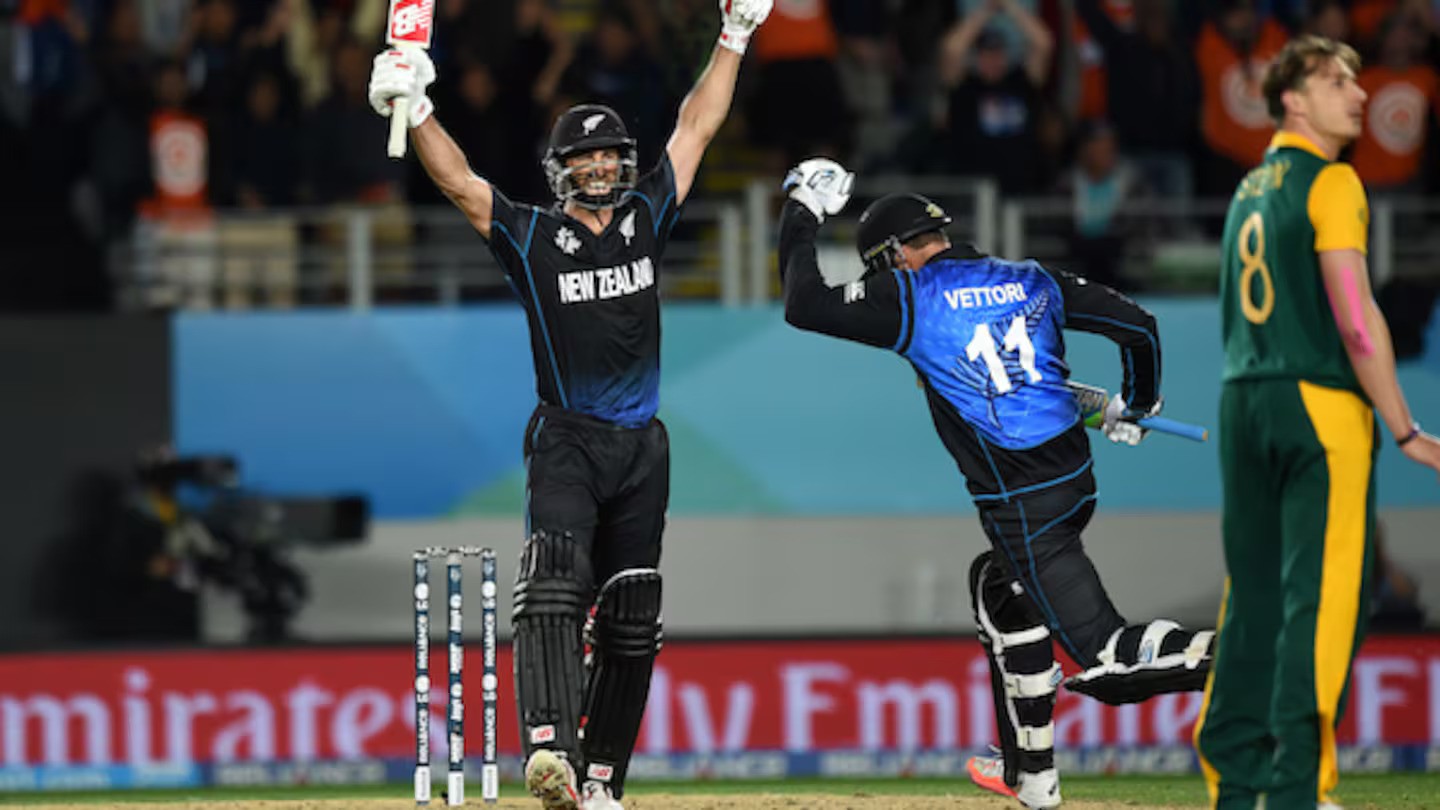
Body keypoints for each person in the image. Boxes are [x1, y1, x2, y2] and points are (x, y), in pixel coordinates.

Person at [365, 1, 774, 807]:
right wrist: (417, 107)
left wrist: (734, 36)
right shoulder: (532, 236)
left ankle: (602, 783)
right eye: (583, 158)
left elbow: (696, 127)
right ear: (561, 169)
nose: (599, 169)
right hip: (566, 442)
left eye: (608, 157)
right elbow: (458, 183)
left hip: (642, 448)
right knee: (553, 584)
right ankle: (550, 751)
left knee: (632, 612)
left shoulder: (647, 217)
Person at [775, 158, 1214, 810]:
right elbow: (1136, 327)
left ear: (894, 257)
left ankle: (1255, 664)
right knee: (999, 592)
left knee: (1109, 655)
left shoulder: (907, 294)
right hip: (1070, 481)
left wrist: (801, 213)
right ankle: (1030, 775)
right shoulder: (1028, 277)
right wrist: (1135, 405)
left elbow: (804, 303)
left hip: (1023, 502)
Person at [1193, 35, 1440, 810]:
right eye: (1338, 81)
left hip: (1243, 401)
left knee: (1253, 596)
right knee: (1324, 599)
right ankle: (1298, 786)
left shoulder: (1246, 190)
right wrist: (1403, 426)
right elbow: (1356, 320)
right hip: (1317, 402)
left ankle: (1234, 778)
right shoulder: (1332, 183)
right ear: (1293, 99)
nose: (1360, 95)